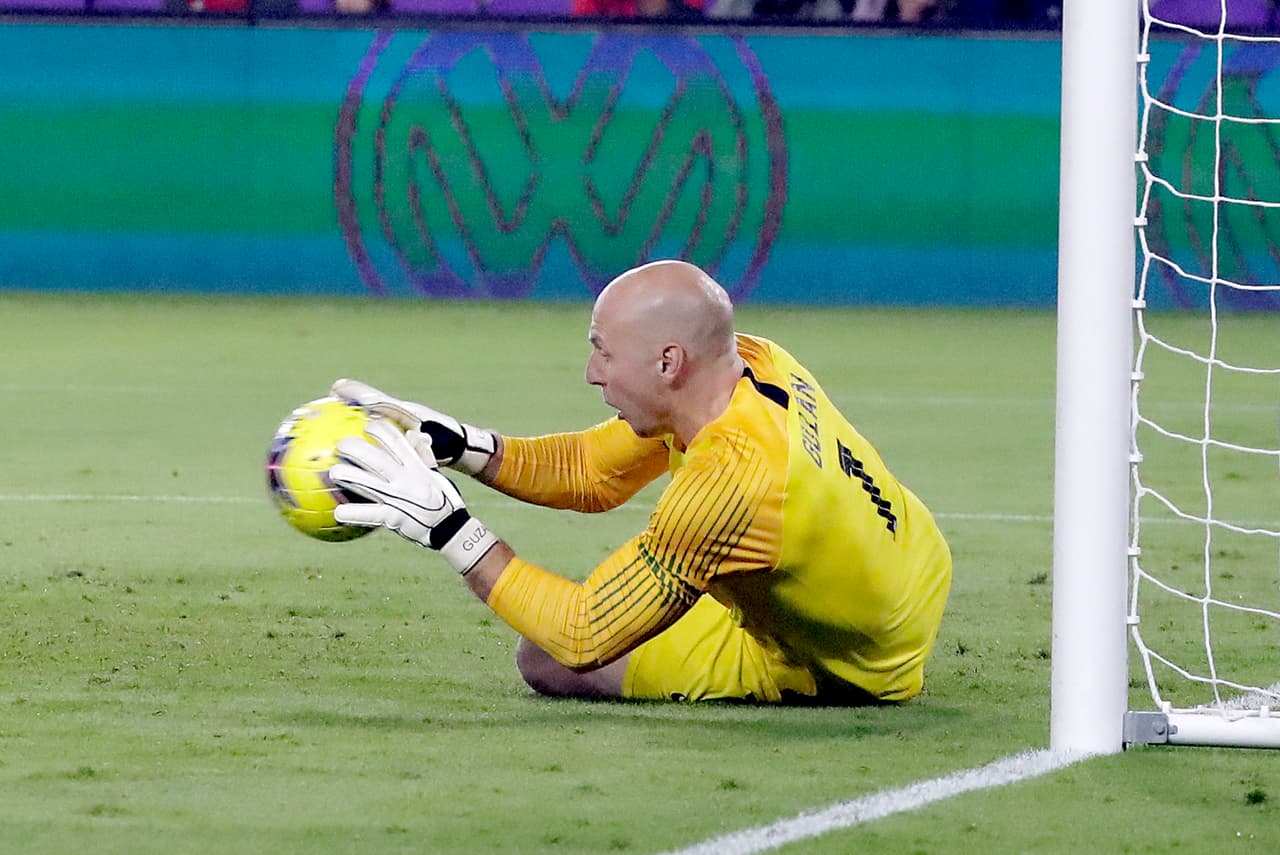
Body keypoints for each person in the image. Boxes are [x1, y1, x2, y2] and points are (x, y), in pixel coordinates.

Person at [328, 260, 952, 705]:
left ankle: (819, 674)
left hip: (857, 659)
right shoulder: (748, 365)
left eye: (603, 351)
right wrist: (460, 444)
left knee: (543, 657)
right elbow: (592, 472)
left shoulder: (733, 482)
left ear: (667, 362)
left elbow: (583, 633)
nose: (591, 372)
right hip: (911, 565)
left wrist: (449, 530)